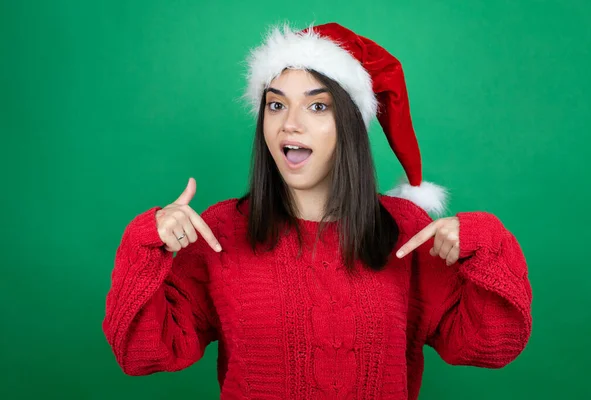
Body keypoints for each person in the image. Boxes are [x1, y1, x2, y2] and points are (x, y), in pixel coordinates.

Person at [102, 22, 532, 399]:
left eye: (317, 105)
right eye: (276, 104)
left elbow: (489, 345)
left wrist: (486, 244)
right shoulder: (222, 231)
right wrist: (146, 246)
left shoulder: (406, 231)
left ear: (350, 124)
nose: (290, 123)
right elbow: (144, 353)